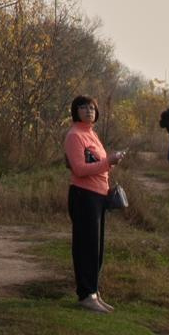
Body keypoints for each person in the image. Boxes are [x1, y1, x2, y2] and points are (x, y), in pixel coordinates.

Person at [64, 96, 131, 313]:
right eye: (83, 107)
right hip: (83, 195)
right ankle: (85, 294)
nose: (89, 111)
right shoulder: (75, 135)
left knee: (97, 248)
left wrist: (110, 162)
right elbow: (79, 169)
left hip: (98, 195)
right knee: (86, 247)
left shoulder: (91, 133)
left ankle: (93, 291)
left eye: (92, 107)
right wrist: (108, 162)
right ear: (75, 111)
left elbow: (98, 164)